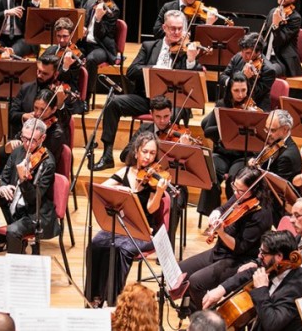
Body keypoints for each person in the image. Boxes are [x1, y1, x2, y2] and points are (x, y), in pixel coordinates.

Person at [92, 10, 203, 171]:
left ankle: (166, 158)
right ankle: (107, 154)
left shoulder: (188, 52)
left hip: (172, 103)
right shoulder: (149, 46)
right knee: (113, 103)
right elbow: (131, 71)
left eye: (180, 29)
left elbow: (193, 84)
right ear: (164, 27)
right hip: (145, 99)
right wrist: (154, 69)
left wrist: (191, 61)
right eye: (172, 28)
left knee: (178, 112)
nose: (176, 32)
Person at [86, 132, 169, 307]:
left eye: (152, 153)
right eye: (144, 151)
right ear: (137, 151)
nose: (147, 156)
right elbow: (101, 190)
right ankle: (94, 297)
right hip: (120, 226)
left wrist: (160, 191)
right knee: (96, 244)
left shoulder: (154, 179)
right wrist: (122, 192)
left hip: (143, 230)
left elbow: (151, 209)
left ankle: (114, 301)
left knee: (120, 250)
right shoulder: (125, 172)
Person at [180, 167, 273, 311]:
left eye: (240, 190)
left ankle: (209, 321)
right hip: (221, 251)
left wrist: (222, 233)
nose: (235, 193)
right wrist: (215, 213)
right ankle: (193, 313)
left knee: (196, 282)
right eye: (234, 187)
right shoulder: (240, 196)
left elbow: (239, 247)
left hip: (238, 259)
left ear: (254, 189)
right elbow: (224, 208)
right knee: (181, 271)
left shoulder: (261, 214)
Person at [201, 230, 302, 331]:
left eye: (263, 253)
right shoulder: (277, 266)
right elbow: (249, 273)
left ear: (279, 256)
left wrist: (261, 289)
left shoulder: (297, 286)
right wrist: (221, 289)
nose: (259, 256)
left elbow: (272, 324)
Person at [0, 118, 58, 254]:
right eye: (24, 138)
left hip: (33, 214)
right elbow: (3, 178)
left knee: (13, 231)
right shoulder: (18, 152)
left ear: (42, 138)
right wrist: (2, 187)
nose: (26, 144)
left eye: (32, 140)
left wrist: (24, 180)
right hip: (12, 207)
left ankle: (16, 267)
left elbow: (34, 199)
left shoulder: (47, 163)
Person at [199, 73, 258, 207]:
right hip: (222, 154)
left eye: (244, 90)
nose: (241, 95)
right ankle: (213, 213)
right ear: (229, 91)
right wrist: (226, 125)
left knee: (235, 179)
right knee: (211, 174)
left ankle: (233, 215)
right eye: (236, 90)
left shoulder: (253, 108)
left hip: (242, 155)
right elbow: (207, 131)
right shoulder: (221, 105)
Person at [246, 109, 302, 223]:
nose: (267, 133)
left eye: (272, 130)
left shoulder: (287, 156)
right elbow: (259, 157)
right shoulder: (276, 141)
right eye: (266, 129)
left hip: (277, 206)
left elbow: (276, 191)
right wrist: (253, 161)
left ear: (285, 129)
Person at [10, 54, 81, 143]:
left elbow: (65, 122)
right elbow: (12, 114)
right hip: (23, 138)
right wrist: (24, 116)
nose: (39, 75)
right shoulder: (26, 88)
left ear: (55, 74)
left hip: (50, 141)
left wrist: (60, 104)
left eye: (45, 73)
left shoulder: (61, 92)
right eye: (38, 71)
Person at [78, 0, 120, 100]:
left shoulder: (113, 10)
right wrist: (82, 28)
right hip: (85, 43)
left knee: (91, 60)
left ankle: (86, 96)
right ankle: (74, 93)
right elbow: (83, 20)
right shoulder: (90, 2)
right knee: (69, 54)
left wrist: (98, 19)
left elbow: (102, 34)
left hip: (101, 47)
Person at [120, 95, 190, 163]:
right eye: (158, 116)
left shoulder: (177, 132)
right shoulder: (144, 129)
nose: (162, 121)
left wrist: (184, 149)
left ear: (171, 113)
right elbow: (124, 155)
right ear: (151, 113)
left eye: (166, 116)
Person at [5, 89, 66, 166]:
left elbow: (40, 158)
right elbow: (16, 140)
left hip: (40, 169)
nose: (37, 113)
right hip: (21, 161)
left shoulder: (56, 133)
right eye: (35, 108)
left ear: (53, 109)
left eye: (43, 110)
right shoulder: (33, 122)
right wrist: (14, 143)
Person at [219, 32, 276, 112]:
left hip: (255, 107)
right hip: (232, 102)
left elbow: (256, 94)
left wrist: (248, 79)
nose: (243, 55)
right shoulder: (238, 57)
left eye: (248, 53)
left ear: (258, 52)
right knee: (205, 122)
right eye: (242, 51)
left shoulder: (269, 70)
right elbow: (222, 76)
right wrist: (231, 82)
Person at [152, 0, 217, 39]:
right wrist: (176, 34)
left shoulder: (198, 12)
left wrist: (208, 24)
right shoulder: (168, 7)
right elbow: (157, 31)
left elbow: (201, 37)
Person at [261, 0, 302, 78]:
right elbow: (263, 35)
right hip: (266, 56)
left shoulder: (295, 18)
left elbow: (280, 41)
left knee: (267, 71)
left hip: (281, 59)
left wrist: (276, 25)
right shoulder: (273, 12)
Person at [41, 17, 84, 89]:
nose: (61, 40)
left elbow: (67, 80)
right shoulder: (50, 50)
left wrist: (65, 66)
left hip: (66, 90)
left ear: (71, 34)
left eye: (65, 36)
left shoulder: (77, 56)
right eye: (58, 36)